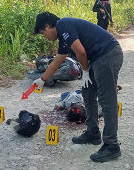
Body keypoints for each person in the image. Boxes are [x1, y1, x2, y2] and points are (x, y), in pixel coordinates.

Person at [33, 12, 123, 162]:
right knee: (87, 93)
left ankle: (112, 145)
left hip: (108, 54)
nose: (45, 37)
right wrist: (42, 79)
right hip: (97, 58)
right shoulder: (63, 37)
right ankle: (93, 132)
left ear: (47, 26)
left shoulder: (63, 24)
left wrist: (85, 70)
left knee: (107, 100)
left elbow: (80, 51)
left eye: (43, 33)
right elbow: (56, 62)